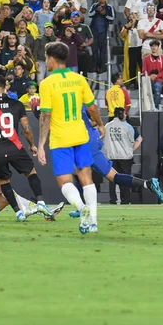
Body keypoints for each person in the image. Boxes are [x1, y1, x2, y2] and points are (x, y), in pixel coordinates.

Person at [38, 42, 105, 234]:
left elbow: (46, 115)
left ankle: (80, 207)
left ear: (51, 58)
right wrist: (100, 124)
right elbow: (92, 108)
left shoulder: (47, 83)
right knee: (87, 178)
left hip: (60, 138)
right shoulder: (79, 79)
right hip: (80, 135)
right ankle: (93, 221)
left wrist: (41, 143)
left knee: (65, 181)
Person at [0, 75, 59, 221]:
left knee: (4, 181)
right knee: (31, 172)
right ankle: (41, 202)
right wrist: (31, 144)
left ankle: (18, 212)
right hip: (15, 147)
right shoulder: (17, 104)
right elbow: (26, 128)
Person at [103, 107, 143, 205]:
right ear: (121, 115)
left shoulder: (107, 126)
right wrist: (131, 150)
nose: (126, 115)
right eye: (124, 114)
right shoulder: (128, 127)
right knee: (125, 180)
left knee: (111, 180)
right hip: (125, 157)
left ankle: (113, 200)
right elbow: (139, 139)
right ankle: (125, 200)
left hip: (111, 156)